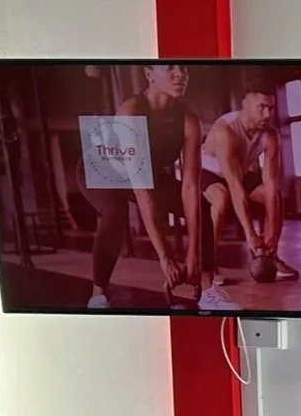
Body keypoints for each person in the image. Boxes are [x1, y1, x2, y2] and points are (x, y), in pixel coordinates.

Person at [86, 63, 203, 310]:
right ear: (149, 75)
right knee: (115, 214)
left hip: (144, 174)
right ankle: (98, 294)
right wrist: (165, 257)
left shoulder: (189, 120)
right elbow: (141, 189)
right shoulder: (131, 111)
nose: (180, 73)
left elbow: (190, 187)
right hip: (106, 170)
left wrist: (194, 253)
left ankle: (209, 287)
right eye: (170, 68)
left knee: (202, 204)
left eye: (184, 69)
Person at [197, 86, 285, 312]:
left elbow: (272, 186)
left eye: (271, 108)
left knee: (271, 195)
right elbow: (235, 186)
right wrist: (251, 235)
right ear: (244, 107)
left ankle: (270, 255)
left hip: (240, 172)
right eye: (261, 108)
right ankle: (207, 265)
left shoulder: (270, 135)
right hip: (208, 172)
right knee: (222, 198)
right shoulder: (225, 131)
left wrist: (272, 234)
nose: (267, 114)